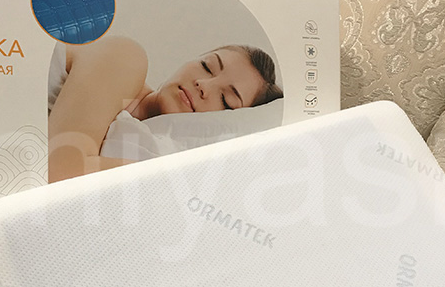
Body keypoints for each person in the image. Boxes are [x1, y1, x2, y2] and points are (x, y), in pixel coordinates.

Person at [47, 35, 283, 183]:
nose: (203, 84)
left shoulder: (138, 139)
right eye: (207, 66)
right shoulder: (127, 59)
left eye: (225, 100)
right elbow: (60, 171)